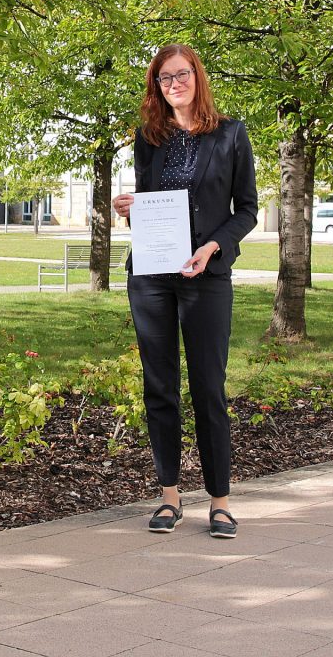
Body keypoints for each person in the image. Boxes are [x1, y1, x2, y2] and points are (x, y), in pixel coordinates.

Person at [113, 44, 257, 539]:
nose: (173, 84)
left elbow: (247, 210)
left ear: (197, 76)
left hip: (206, 276)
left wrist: (215, 246)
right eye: (163, 78)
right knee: (160, 388)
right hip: (153, 276)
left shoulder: (231, 134)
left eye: (181, 75)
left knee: (209, 389)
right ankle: (169, 497)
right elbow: (152, 202)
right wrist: (129, 207)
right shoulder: (149, 137)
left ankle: (220, 501)